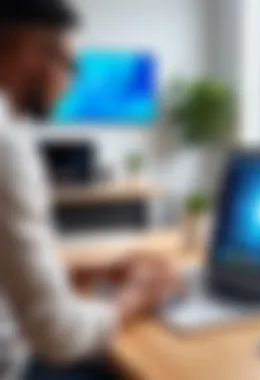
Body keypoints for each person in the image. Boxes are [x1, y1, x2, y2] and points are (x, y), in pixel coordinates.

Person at [0, 0, 179, 379]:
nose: (72, 82)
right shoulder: (6, 146)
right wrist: (138, 297)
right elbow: (59, 336)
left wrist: (90, 268)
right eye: (71, 64)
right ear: (32, 50)